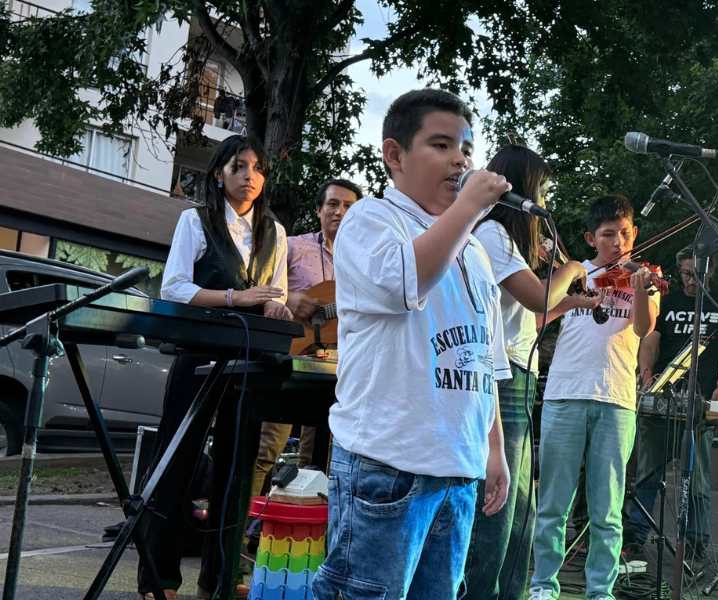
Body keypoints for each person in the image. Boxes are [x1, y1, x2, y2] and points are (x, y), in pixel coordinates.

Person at [310, 89, 512, 599]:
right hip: (388, 465)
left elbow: (483, 358)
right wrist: (467, 207)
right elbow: (405, 283)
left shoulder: (474, 250)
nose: (460, 160)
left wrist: (495, 449)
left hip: (457, 468)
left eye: (464, 147)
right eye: (440, 145)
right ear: (395, 155)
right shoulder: (372, 220)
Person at [140, 134, 291, 600]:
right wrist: (234, 297)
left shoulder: (276, 233)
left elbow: (277, 293)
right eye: (239, 167)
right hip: (199, 354)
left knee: (237, 468)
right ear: (219, 174)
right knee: (177, 462)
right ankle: (159, 577)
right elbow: (175, 288)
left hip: (249, 364)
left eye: (257, 168)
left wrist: (276, 308)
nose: (249, 176)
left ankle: (221, 577)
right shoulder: (196, 221)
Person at [462, 145, 589, 600]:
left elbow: (531, 317)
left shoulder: (508, 241)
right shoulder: (494, 232)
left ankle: (508, 592)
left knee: (522, 506)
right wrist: (573, 268)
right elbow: (538, 297)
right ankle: (486, 592)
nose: (547, 201)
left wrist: (572, 300)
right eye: (545, 189)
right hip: (505, 376)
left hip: (521, 371)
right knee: (502, 503)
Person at [529, 195, 660, 600]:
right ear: (590, 238)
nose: (617, 242)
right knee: (553, 503)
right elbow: (537, 318)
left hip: (617, 398)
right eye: (608, 235)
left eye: (624, 233)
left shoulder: (646, 276)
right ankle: (542, 585)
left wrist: (639, 290)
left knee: (608, 508)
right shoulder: (573, 273)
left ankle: (600, 591)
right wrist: (572, 296)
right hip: (565, 393)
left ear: (634, 233)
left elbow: (643, 328)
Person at [623, 246, 718, 574]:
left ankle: (695, 541)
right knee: (648, 472)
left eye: (697, 274)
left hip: (700, 401)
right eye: (686, 274)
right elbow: (650, 339)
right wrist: (646, 372)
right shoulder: (671, 300)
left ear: (711, 271)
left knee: (698, 478)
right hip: (664, 396)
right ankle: (635, 536)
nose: (691, 281)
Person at [250, 177, 363, 498]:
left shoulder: (363, 263)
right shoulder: (294, 246)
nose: (340, 212)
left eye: (348, 207)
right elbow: (258, 289)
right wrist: (288, 299)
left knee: (318, 460)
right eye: (333, 204)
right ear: (318, 209)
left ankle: (298, 535)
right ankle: (240, 535)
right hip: (291, 362)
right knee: (266, 449)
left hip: (336, 372)